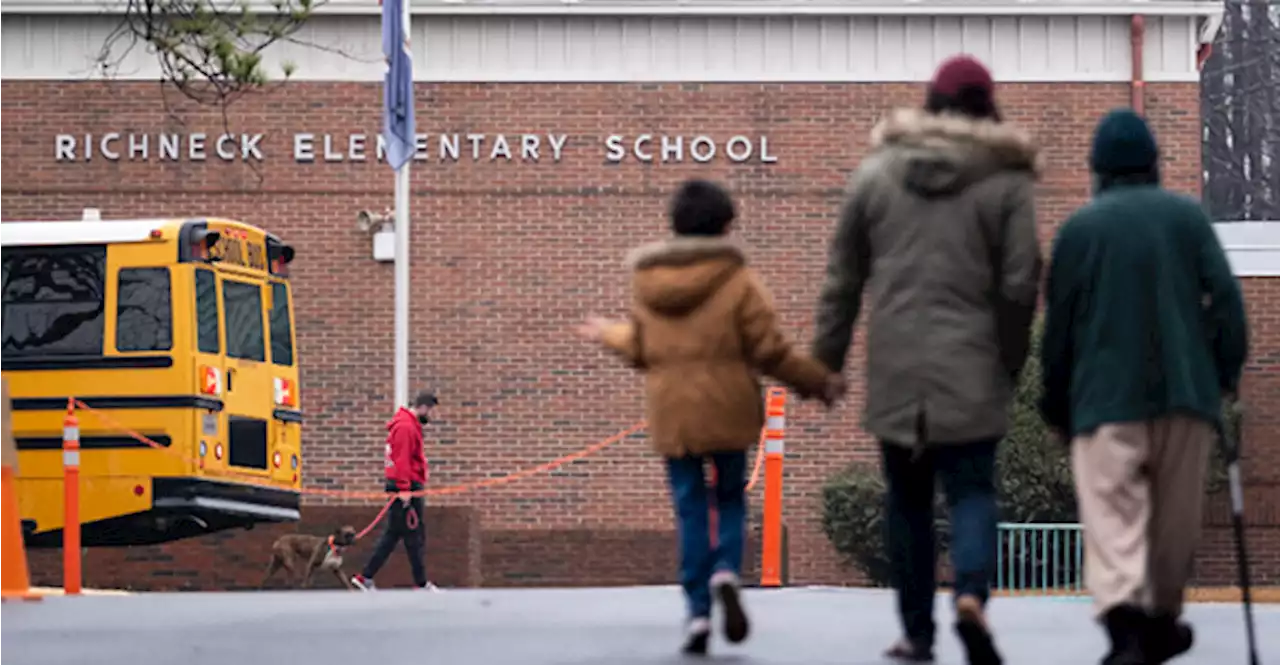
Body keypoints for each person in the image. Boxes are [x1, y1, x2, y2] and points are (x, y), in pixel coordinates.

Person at [810, 54, 1043, 665]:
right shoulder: (1007, 181)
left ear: (929, 105)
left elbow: (843, 277)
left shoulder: (877, 174)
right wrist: (1011, 359)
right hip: (973, 363)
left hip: (896, 367)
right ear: (988, 108)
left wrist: (826, 362)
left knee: (906, 500)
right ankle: (970, 594)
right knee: (971, 490)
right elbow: (1021, 283)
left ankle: (916, 633)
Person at [577, 178, 844, 656]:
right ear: (725, 226)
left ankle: (698, 612)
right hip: (729, 408)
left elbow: (641, 347)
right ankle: (725, 570)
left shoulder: (648, 282)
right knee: (729, 497)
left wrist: (607, 334)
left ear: (674, 226)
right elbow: (770, 350)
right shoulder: (738, 280)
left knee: (689, 506)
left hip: (673, 413)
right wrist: (817, 382)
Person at [1038, 109, 1249, 665]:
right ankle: (1160, 618)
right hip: (1186, 396)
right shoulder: (1187, 219)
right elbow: (1227, 304)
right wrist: (1223, 375)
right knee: (1172, 523)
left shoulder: (1080, 231)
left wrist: (1056, 404)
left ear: (1097, 169)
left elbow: (1058, 331)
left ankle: (1126, 623)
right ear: (1155, 163)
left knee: (1113, 516)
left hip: (1105, 403)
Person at [351, 390, 440, 592]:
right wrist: (404, 489)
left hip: (406, 486)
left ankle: (366, 577)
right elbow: (402, 460)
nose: (431, 416)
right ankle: (420, 583)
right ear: (424, 407)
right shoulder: (406, 427)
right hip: (406, 487)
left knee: (396, 536)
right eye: (431, 411)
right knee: (413, 536)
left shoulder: (407, 425)